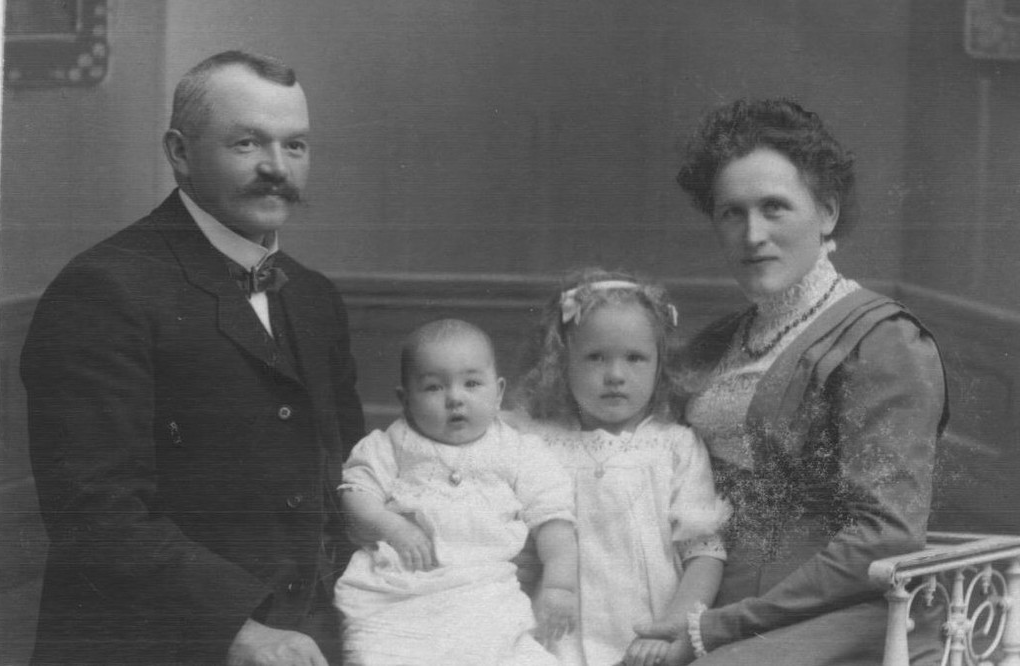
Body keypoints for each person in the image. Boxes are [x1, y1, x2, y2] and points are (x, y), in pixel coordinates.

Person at [20, 50, 365, 666]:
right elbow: (94, 512)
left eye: (296, 146)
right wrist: (241, 630)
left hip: (308, 640)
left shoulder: (313, 296)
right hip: (158, 646)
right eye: (247, 143)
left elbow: (346, 477)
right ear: (179, 153)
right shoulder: (104, 288)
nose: (276, 168)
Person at [635, 98, 949, 665]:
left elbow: (886, 534)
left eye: (775, 207)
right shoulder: (717, 342)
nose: (752, 233)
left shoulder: (882, 340)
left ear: (826, 213)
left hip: (836, 614)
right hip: (704, 595)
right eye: (731, 213)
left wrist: (720, 627)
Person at [510, 269, 730, 666]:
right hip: (555, 638)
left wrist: (672, 627)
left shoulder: (673, 445)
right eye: (595, 357)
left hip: (648, 639)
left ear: (659, 365)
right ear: (562, 363)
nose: (615, 375)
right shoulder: (537, 444)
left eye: (635, 358)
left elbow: (704, 552)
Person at [334, 319, 578, 665]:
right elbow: (355, 494)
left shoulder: (520, 450)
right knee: (383, 654)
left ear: (499, 392)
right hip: (401, 594)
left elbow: (554, 521)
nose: (455, 399)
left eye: (473, 383)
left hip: (485, 594)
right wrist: (393, 527)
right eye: (434, 388)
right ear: (405, 399)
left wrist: (559, 586)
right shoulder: (391, 445)